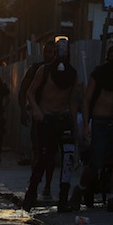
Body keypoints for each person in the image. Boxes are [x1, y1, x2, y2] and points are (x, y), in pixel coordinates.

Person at [70, 45, 113, 212]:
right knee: (96, 163)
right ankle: (80, 189)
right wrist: (86, 125)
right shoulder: (98, 74)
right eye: (111, 56)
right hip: (100, 122)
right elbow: (86, 100)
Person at [22, 36, 78, 212]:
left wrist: (77, 127)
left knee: (68, 156)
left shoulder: (72, 73)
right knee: (44, 158)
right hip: (46, 119)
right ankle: (31, 194)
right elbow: (30, 92)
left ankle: (63, 198)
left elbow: (73, 102)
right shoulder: (44, 70)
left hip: (63, 118)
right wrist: (37, 111)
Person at [18, 40, 56, 199]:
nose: (50, 55)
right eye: (47, 52)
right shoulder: (35, 70)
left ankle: (47, 185)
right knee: (38, 151)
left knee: (52, 154)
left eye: (52, 52)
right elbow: (24, 90)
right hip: (38, 115)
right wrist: (23, 111)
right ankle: (34, 184)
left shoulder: (62, 70)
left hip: (56, 116)